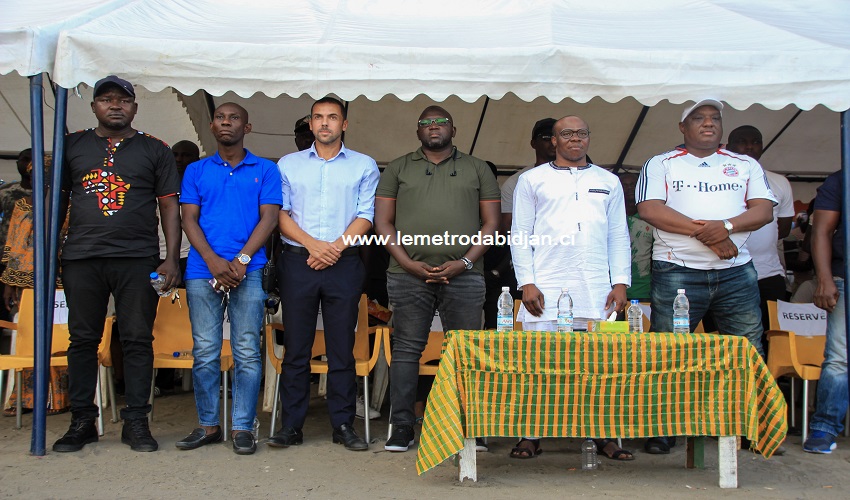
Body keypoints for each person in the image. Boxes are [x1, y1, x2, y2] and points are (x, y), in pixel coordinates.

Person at [636, 99, 776, 454]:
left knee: (747, 349)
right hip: (676, 269)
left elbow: (763, 210)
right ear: (683, 127)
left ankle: (753, 428)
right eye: (698, 118)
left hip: (735, 272)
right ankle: (662, 429)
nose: (708, 123)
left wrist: (725, 228)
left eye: (715, 118)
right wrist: (712, 237)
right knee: (669, 351)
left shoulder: (744, 164)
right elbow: (650, 209)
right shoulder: (661, 163)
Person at [53, 75, 182, 453]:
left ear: (134, 108)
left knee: (137, 339)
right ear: (93, 106)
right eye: (106, 99)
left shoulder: (154, 149)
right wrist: (48, 256)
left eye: (123, 100)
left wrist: (171, 258)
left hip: (137, 258)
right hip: (81, 257)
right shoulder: (71, 145)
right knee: (82, 340)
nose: (115, 105)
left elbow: (169, 206)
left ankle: (137, 423)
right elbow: (57, 203)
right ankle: (82, 421)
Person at [375, 105, 500, 452]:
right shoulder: (399, 167)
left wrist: (464, 261)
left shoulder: (477, 168)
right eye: (426, 123)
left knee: (466, 351)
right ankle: (402, 427)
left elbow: (491, 224)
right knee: (406, 350)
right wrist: (407, 263)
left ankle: (470, 428)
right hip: (407, 275)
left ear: (453, 129)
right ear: (417, 132)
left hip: (465, 274)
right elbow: (382, 222)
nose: (433, 127)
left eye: (440, 122)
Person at [509, 115, 633, 460]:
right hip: (545, 286)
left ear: (589, 138)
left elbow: (618, 236)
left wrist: (620, 282)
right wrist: (526, 283)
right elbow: (520, 234)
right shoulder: (532, 180)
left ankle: (605, 435)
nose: (575, 139)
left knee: (600, 367)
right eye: (567, 133)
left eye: (581, 133)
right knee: (538, 366)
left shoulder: (607, 181)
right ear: (553, 140)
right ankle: (531, 435)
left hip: (596, 288)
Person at [269, 96, 378, 452]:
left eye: (332, 117)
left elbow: (366, 215)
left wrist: (333, 248)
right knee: (297, 348)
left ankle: (343, 425)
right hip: (298, 261)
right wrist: (314, 245)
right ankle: (291, 426)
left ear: (344, 124)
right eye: (318, 117)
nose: (325, 123)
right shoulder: (288, 164)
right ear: (311, 124)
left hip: (343, 263)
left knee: (341, 349)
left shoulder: (363, 165)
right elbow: (279, 214)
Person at [176, 103, 281, 455]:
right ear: (211, 126)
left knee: (247, 351)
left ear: (246, 127)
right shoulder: (195, 170)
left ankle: (242, 427)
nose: (226, 122)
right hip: (202, 270)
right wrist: (213, 262)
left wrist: (240, 261)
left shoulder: (266, 169)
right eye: (220, 118)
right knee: (205, 351)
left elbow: (269, 219)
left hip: (248, 270)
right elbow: (188, 219)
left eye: (233, 118)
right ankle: (207, 425)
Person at [725, 125, 794, 333]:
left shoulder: (779, 182)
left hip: (768, 273)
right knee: (728, 336)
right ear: (728, 147)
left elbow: (783, 228)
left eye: (755, 142)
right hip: (727, 272)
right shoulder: (716, 181)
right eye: (742, 141)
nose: (749, 147)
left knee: (770, 336)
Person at [803, 171, 846, 453]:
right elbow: (821, 230)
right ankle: (825, 427)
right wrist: (825, 278)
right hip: (846, 275)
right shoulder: (841, 179)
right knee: (839, 358)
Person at [618, 172, 654, 301]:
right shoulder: (610, 218)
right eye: (624, 185)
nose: (629, 189)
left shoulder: (652, 219)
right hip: (613, 290)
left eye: (633, 185)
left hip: (644, 291)